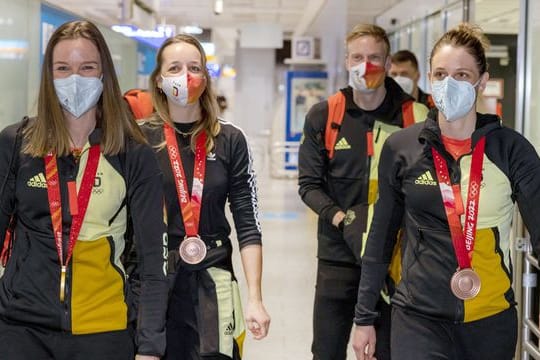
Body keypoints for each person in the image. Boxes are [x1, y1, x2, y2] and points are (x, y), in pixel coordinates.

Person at [352, 23, 540, 360]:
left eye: (462, 75)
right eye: (440, 74)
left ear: (482, 81)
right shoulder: (402, 148)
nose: (449, 85)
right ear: (429, 78)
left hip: (490, 319)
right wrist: (364, 317)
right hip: (417, 317)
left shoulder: (511, 150)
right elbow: (381, 236)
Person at [0, 20, 168, 360]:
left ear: (104, 74)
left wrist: (150, 346)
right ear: (49, 76)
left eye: (86, 67)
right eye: (63, 68)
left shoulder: (133, 155)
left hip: (104, 331)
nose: (75, 78)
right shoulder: (17, 143)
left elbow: (153, 261)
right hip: (20, 329)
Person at [298, 23, 428, 360]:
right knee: (326, 351)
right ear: (346, 61)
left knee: (389, 351)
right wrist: (344, 220)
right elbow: (309, 184)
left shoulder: (415, 116)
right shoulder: (325, 115)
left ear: (387, 65)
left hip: (396, 260)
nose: (365, 65)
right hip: (338, 256)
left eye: (374, 58)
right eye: (358, 57)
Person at [141, 33, 271, 360]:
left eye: (194, 67)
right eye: (175, 67)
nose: (186, 75)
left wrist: (255, 298)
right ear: (159, 80)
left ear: (206, 77)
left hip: (214, 276)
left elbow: (248, 221)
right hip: (156, 281)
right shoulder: (140, 139)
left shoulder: (229, 139)